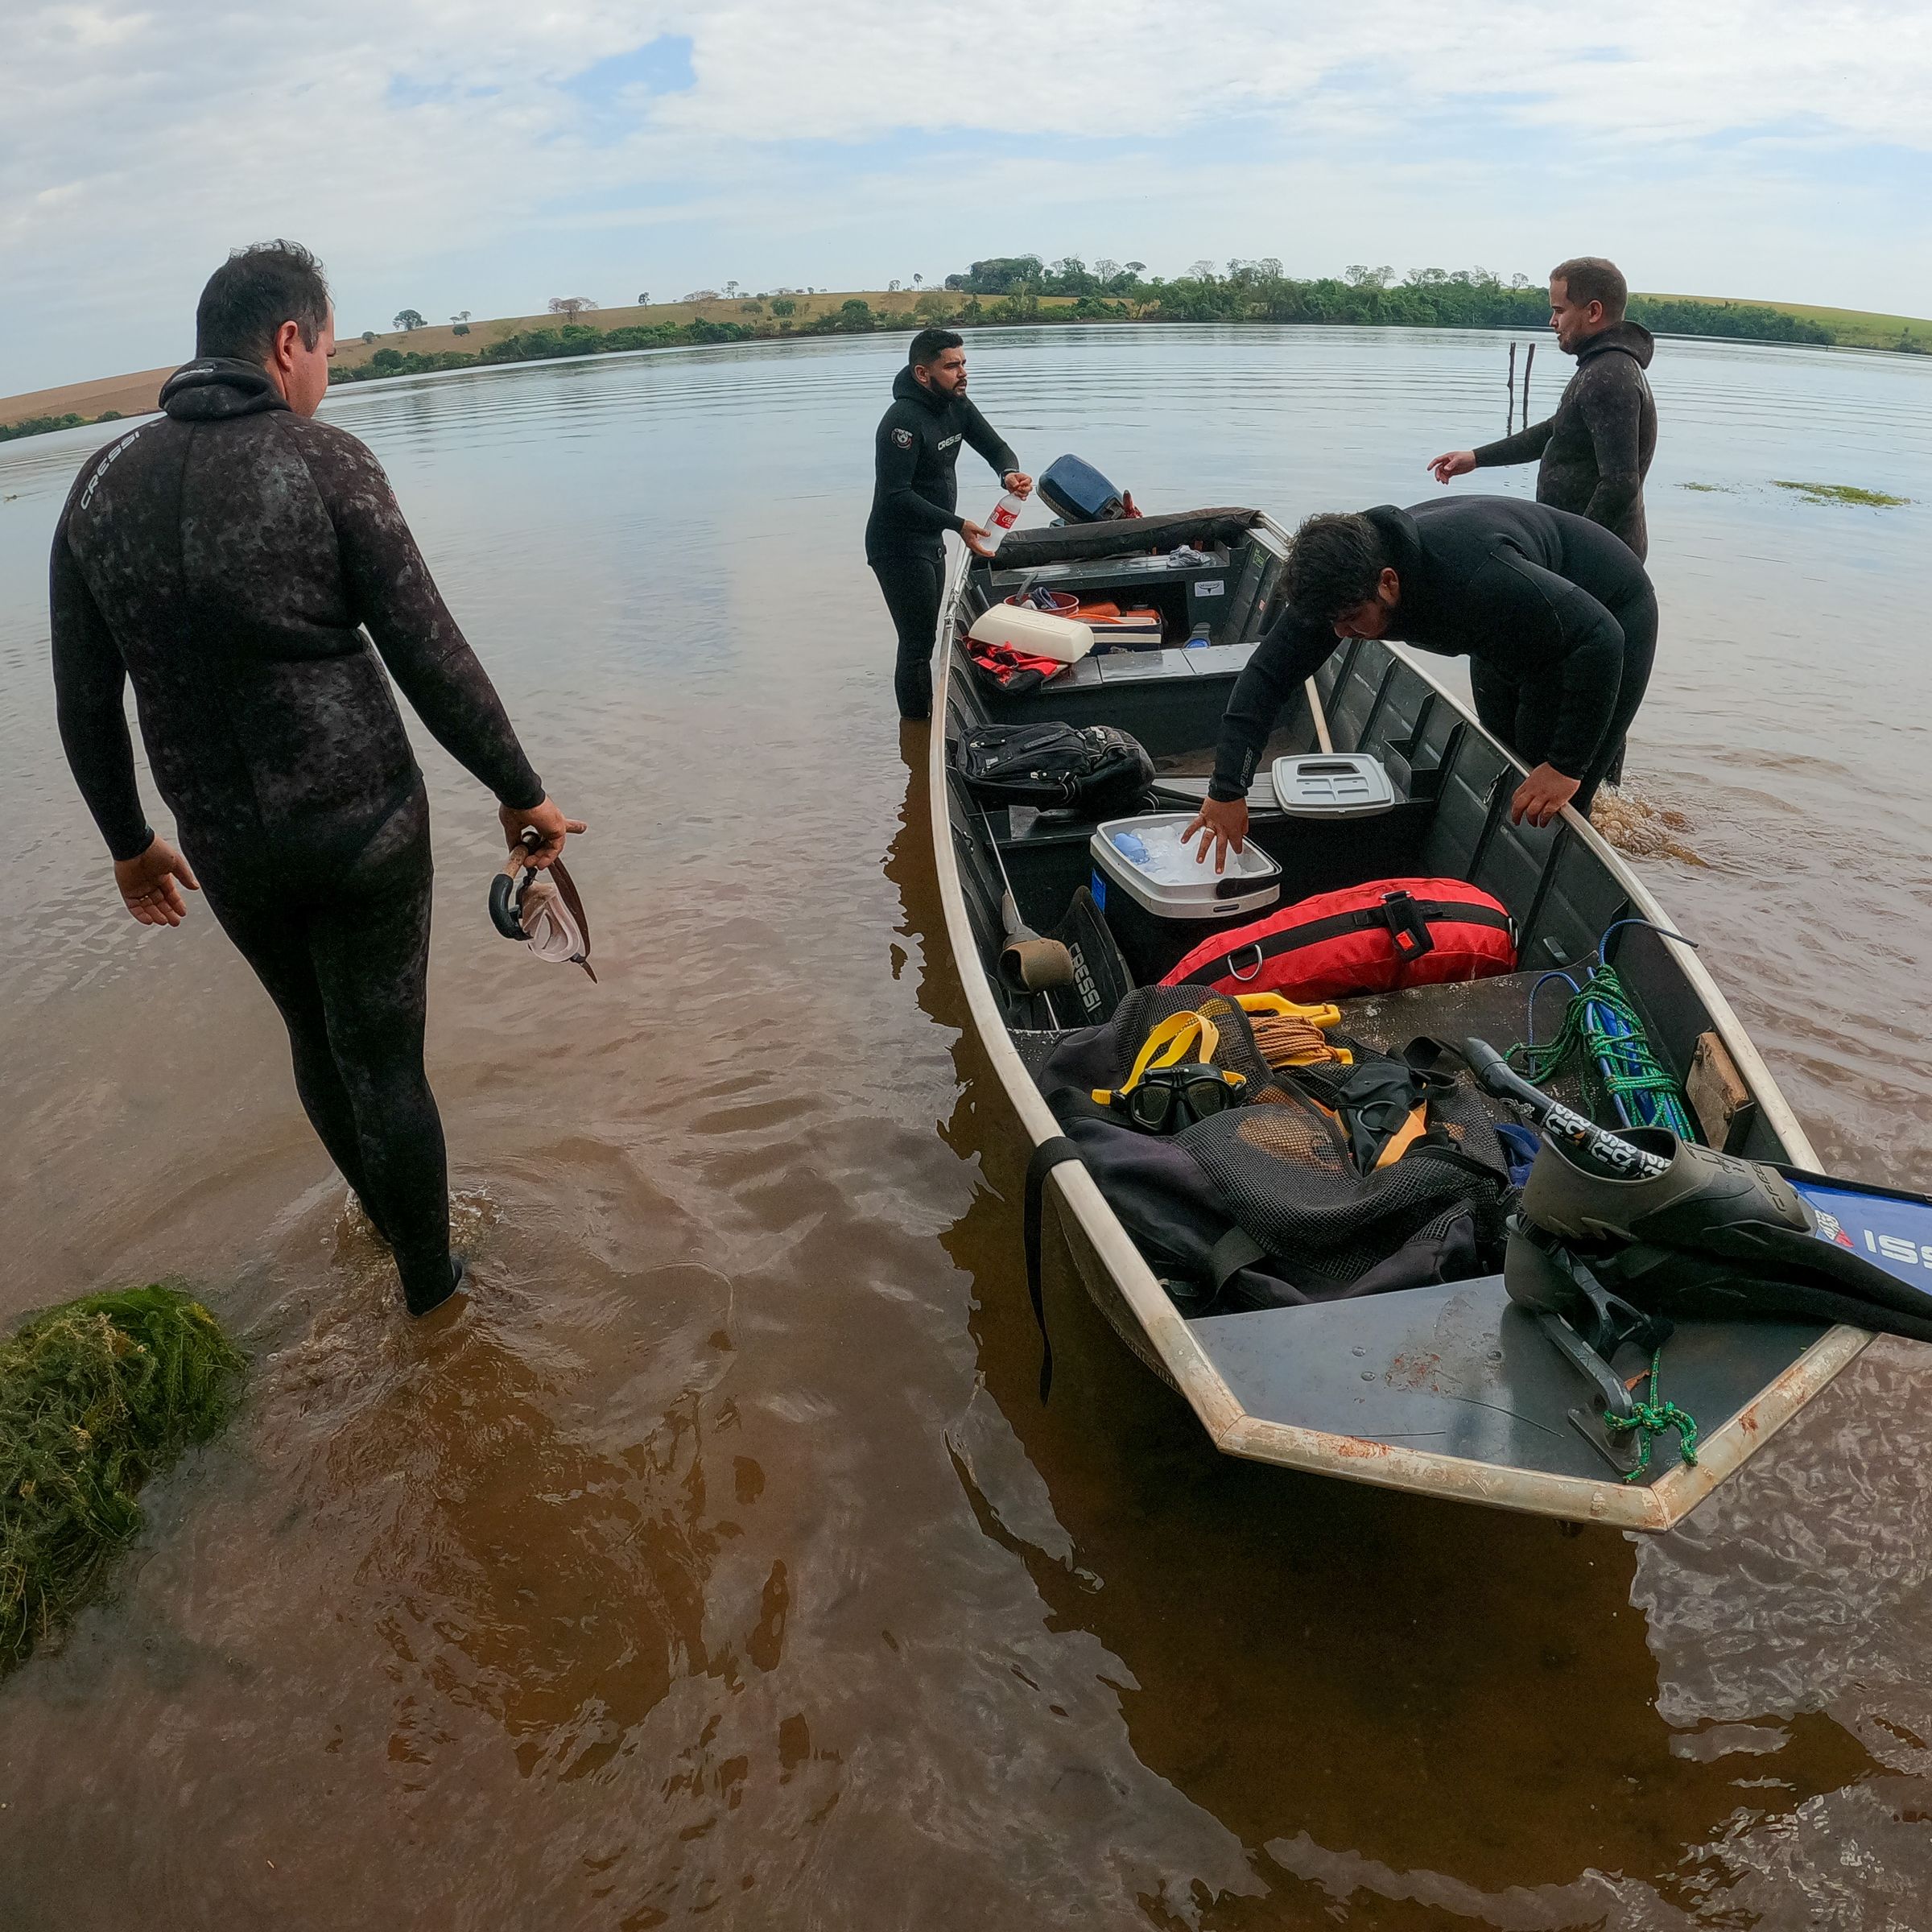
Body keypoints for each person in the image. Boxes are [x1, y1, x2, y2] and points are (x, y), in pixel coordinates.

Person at [49, 239, 582, 1319]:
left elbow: (81, 699)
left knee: (316, 1045)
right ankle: (434, 1298)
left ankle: (392, 1236)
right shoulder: (322, 461)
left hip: (228, 846)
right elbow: (428, 649)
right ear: (288, 342)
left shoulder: (99, 487)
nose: (325, 376)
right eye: (327, 351)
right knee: (386, 1067)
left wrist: (126, 841)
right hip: (363, 829)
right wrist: (520, 788)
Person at [1183, 497, 1657, 868]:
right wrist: (1228, 790)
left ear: (1388, 583)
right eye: (1333, 624)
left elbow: (1601, 637)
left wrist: (1568, 765)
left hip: (1610, 613)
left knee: (1553, 798)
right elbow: (1265, 679)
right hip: (1504, 630)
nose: (1341, 636)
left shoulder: (1477, 578)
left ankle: (1591, 837)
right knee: (1515, 767)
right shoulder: (1336, 587)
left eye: (1351, 621)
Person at [1427, 257, 1657, 560]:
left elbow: (1620, 483)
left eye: (1559, 310)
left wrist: (1571, 552)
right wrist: (1477, 458)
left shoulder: (1609, 376)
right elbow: (1555, 430)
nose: (1552, 322)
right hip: (1592, 553)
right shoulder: (1601, 367)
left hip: (1601, 563)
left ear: (1593, 311)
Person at [865, 328, 1032, 721]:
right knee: (917, 644)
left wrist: (1009, 473)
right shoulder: (901, 423)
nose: (962, 372)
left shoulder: (956, 404)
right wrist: (958, 524)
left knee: (929, 635)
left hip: (931, 537)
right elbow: (896, 496)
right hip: (896, 544)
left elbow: (996, 447)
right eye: (951, 365)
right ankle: (918, 725)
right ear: (923, 373)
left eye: (963, 363)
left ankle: (914, 756)